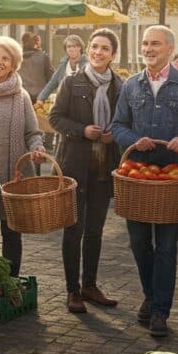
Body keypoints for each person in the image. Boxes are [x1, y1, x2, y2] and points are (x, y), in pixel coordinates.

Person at [111, 25, 178, 337]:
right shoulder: (131, 85)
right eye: (145, 43)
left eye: (155, 43)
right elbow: (117, 125)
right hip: (137, 178)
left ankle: (159, 312)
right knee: (139, 242)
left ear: (169, 48)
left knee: (166, 245)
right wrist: (134, 139)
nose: (149, 48)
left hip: (171, 178)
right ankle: (151, 296)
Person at [49, 29, 123, 313]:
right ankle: (72, 290)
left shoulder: (121, 86)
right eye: (94, 47)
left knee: (95, 230)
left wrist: (112, 134)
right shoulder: (72, 82)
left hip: (104, 168)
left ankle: (90, 285)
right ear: (88, 50)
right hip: (76, 166)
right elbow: (55, 118)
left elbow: (124, 121)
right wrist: (83, 131)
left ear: (113, 54)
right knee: (74, 229)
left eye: (105, 48)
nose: (98, 52)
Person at [0, 36, 46, 277]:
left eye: (5, 58)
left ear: (14, 64)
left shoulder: (21, 96)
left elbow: (32, 132)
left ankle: (10, 282)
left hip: (13, 178)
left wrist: (37, 148)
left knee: (11, 232)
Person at [36, 35, 89, 105]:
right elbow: (53, 82)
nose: (71, 49)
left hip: (82, 104)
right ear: (66, 49)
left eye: (74, 46)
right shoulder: (63, 64)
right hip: (64, 103)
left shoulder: (87, 64)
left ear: (79, 47)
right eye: (69, 46)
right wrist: (41, 98)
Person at [19, 32, 54, 102]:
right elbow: (51, 77)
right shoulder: (43, 57)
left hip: (22, 95)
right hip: (41, 96)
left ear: (22, 43)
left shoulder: (17, 58)